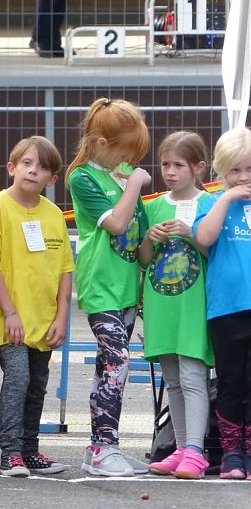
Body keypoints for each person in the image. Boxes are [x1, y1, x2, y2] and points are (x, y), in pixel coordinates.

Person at [0, 136, 73, 477]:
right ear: (11, 168)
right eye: (27, 164)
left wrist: (61, 317)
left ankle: (30, 450)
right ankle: (10, 452)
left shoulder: (54, 213)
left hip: (43, 320)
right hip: (9, 317)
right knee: (18, 378)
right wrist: (10, 312)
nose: (33, 171)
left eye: (42, 167)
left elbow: (64, 271)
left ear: (52, 179)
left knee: (37, 383)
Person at [66, 97, 151, 477]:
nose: (130, 160)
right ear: (102, 144)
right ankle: (103, 447)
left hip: (127, 286)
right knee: (117, 362)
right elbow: (116, 224)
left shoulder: (122, 176)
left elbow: (139, 236)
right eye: (125, 151)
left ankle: (102, 446)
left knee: (107, 368)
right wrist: (133, 183)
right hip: (100, 285)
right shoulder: (82, 177)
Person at [141, 131, 213, 480]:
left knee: (193, 374)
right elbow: (142, 260)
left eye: (179, 165)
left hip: (194, 303)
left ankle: (197, 451)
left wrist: (192, 235)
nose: (170, 171)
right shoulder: (152, 205)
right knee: (172, 378)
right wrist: (148, 239)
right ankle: (181, 448)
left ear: (199, 166)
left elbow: (216, 252)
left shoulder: (211, 203)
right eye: (165, 164)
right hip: (161, 303)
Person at [193, 127, 251, 480]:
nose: (243, 177)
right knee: (230, 381)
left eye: (249, 169)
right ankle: (231, 453)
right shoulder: (211, 202)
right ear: (220, 171)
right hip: (227, 309)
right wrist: (227, 198)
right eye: (234, 170)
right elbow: (203, 238)